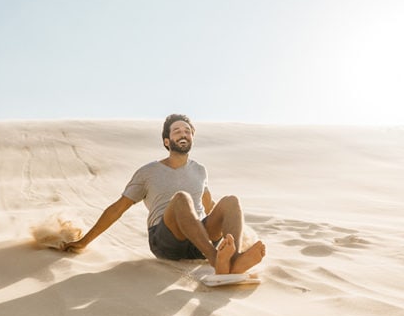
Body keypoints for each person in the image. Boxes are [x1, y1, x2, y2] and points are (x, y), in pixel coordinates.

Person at [63, 114, 266, 275]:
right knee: (181, 198)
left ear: (192, 137)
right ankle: (217, 261)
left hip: (199, 241)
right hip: (167, 241)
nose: (183, 134)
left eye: (187, 131)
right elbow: (118, 208)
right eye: (177, 131)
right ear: (167, 141)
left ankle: (234, 261)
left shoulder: (200, 170)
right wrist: (83, 242)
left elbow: (209, 206)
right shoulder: (148, 172)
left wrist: (236, 232)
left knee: (231, 201)